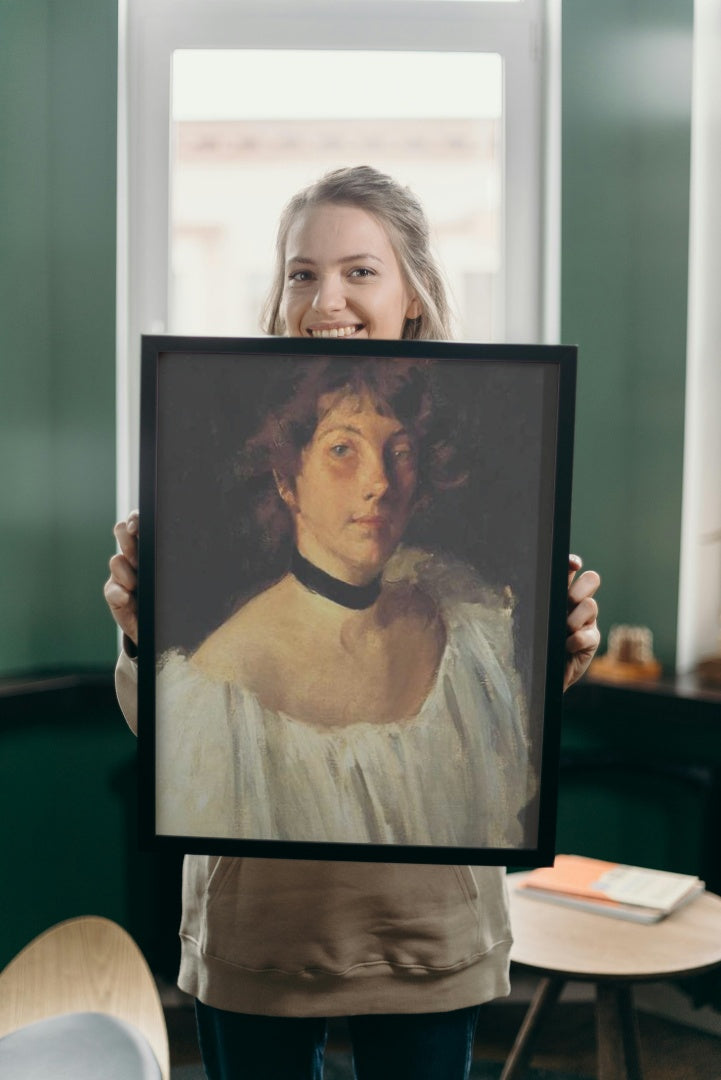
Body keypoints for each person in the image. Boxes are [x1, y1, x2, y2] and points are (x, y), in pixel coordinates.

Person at [105, 166, 601, 1080]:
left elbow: (508, 743)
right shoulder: (218, 664)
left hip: (427, 935)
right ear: (286, 476)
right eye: (302, 272)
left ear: (412, 291)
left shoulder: (468, 611)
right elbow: (171, 743)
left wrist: (557, 652)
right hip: (263, 937)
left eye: (359, 271)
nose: (325, 297)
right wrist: (139, 632)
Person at [154, 355, 537, 848]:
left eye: (399, 452)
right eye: (342, 450)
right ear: (287, 480)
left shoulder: (461, 630)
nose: (378, 482)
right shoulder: (222, 689)